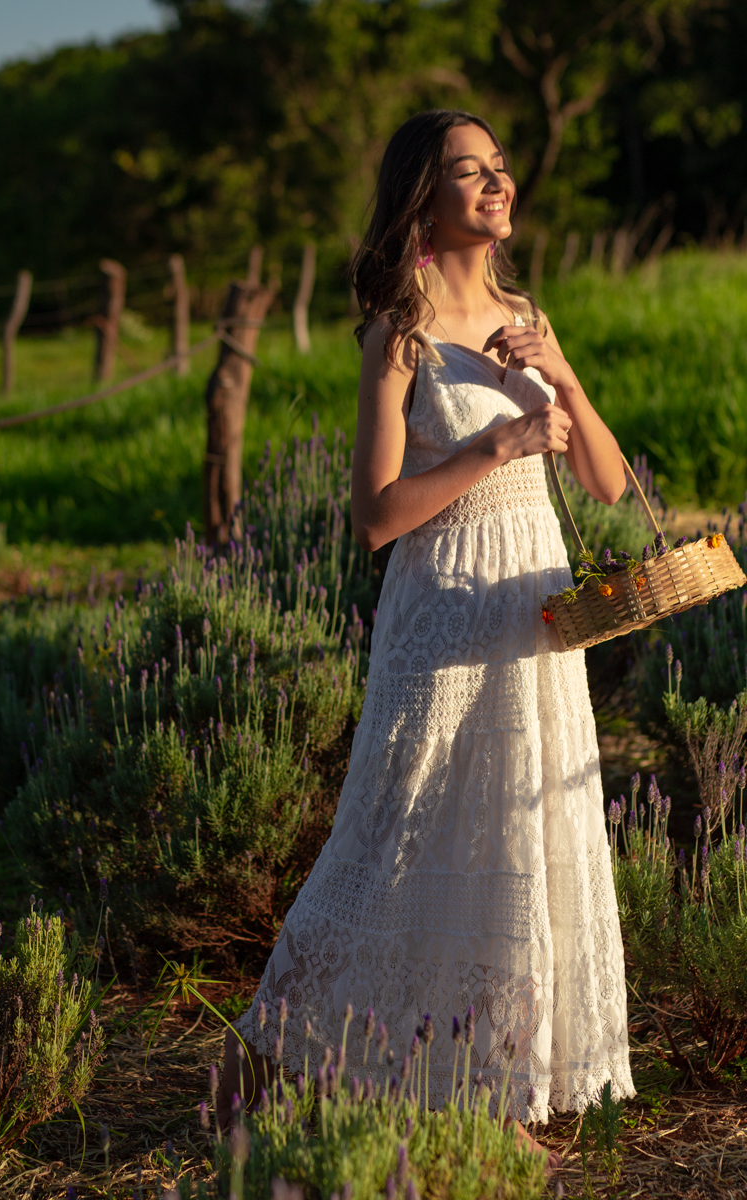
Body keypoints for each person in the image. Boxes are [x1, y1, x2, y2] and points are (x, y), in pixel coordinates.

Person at [218, 108, 636, 1170]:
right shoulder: (395, 333)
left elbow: (604, 483)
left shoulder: (525, 313)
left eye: (499, 168)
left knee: (508, 836)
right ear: (423, 196)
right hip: (441, 603)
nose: (496, 185)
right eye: (469, 172)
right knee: (394, 828)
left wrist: (561, 379)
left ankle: (486, 1088)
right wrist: (499, 440)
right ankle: (273, 1052)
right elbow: (373, 517)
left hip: (532, 603)